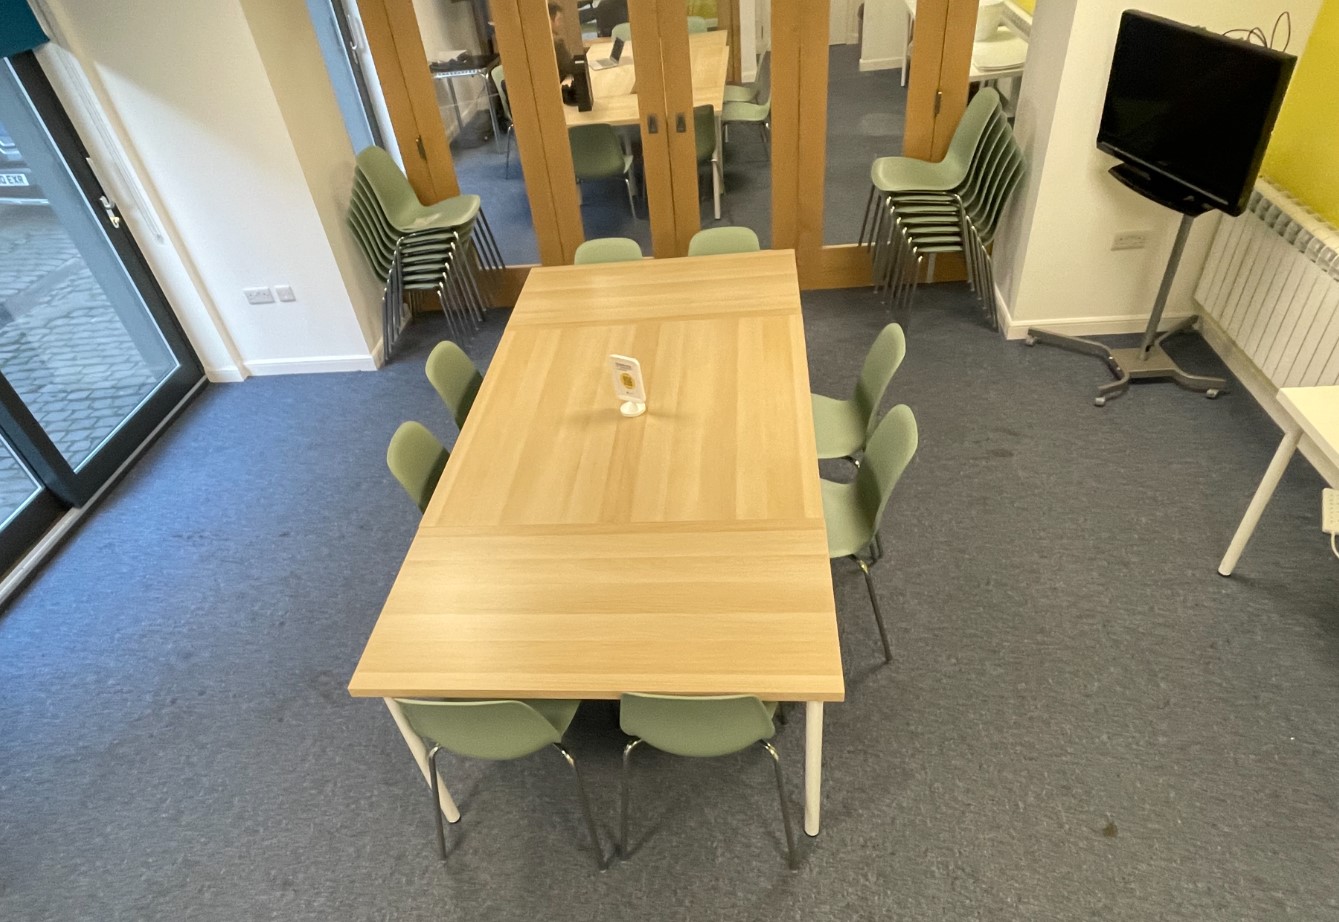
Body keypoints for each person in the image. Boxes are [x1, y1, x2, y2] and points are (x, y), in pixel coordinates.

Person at [549, 3, 579, 81]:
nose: (560, 24)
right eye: (558, 20)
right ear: (549, 20)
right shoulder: (557, 43)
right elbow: (569, 68)